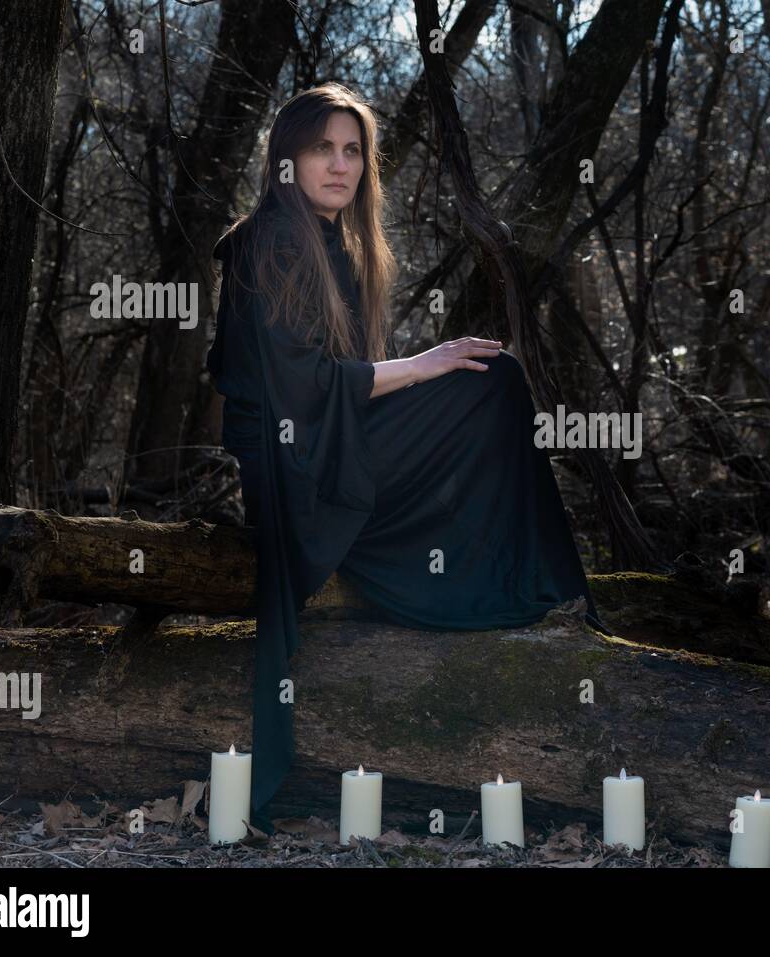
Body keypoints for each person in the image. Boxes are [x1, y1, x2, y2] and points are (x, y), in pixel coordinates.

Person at [205, 83, 611, 833]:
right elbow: (303, 389)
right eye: (322, 148)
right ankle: (536, 585)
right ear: (287, 157)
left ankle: (521, 583)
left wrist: (425, 374)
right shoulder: (273, 238)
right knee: (490, 383)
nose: (340, 165)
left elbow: (346, 389)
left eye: (353, 150)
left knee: (493, 381)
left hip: (330, 446)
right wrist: (425, 366)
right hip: (295, 466)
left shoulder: (335, 244)